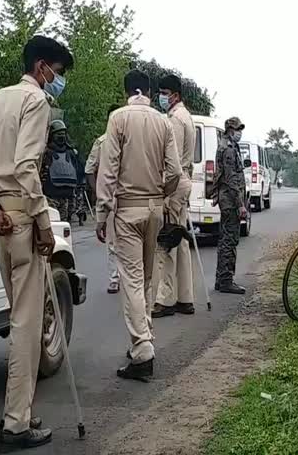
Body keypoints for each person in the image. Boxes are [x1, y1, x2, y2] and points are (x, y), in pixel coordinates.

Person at [0, 35, 74, 450]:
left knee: (19, 315)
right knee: (27, 324)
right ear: (43, 66)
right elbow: (28, 168)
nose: (57, 81)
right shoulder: (36, 103)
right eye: (58, 73)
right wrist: (43, 223)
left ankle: (20, 413)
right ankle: (16, 423)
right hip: (24, 215)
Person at [95, 70, 183, 382]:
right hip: (155, 207)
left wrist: (102, 213)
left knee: (131, 279)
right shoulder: (163, 121)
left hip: (128, 208)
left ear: (126, 92)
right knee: (147, 276)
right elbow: (175, 171)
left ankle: (142, 348)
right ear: (148, 92)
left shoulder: (118, 119)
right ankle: (144, 334)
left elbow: (108, 171)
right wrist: (163, 192)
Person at [152, 75, 195, 317]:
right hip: (184, 181)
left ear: (175, 95)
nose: (162, 97)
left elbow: (173, 162)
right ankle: (185, 297)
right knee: (181, 241)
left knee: (166, 243)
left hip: (175, 183)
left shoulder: (175, 120)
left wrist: (165, 194)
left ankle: (165, 300)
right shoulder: (185, 116)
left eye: (165, 92)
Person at [85, 104, 121, 293]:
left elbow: (89, 170)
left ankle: (119, 278)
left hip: (119, 196)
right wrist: (98, 191)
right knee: (116, 241)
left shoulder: (116, 140)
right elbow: (89, 170)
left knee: (118, 242)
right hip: (117, 196)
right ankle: (117, 278)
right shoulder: (102, 142)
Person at [214, 117, 248, 294]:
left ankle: (221, 278)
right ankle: (226, 279)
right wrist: (241, 204)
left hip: (228, 199)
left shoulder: (230, 146)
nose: (239, 132)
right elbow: (231, 179)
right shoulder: (227, 148)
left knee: (225, 239)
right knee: (230, 240)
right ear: (229, 129)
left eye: (240, 129)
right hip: (230, 200)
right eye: (237, 129)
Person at [40, 119, 78, 223]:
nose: (61, 136)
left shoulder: (69, 152)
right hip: (51, 195)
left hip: (64, 196)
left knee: (60, 223)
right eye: (58, 134)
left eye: (63, 133)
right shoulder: (46, 153)